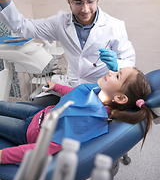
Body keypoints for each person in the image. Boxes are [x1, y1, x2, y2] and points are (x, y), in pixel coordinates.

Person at [0, 0, 135, 105]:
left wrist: (117, 64)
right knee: (30, 108)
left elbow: (129, 62)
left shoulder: (115, 26)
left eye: (90, 1)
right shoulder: (60, 23)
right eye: (77, 2)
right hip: (70, 87)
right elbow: (22, 27)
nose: (85, 9)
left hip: (98, 94)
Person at [0, 67, 153, 164]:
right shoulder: (96, 91)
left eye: (117, 76)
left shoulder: (89, 120)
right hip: (40, 115)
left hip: (30, 132)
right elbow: (75, 94)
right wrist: (56, 87)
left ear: (120, 98)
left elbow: (45, 148)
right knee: (4, 105)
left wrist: (3, 156)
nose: (110, 72)